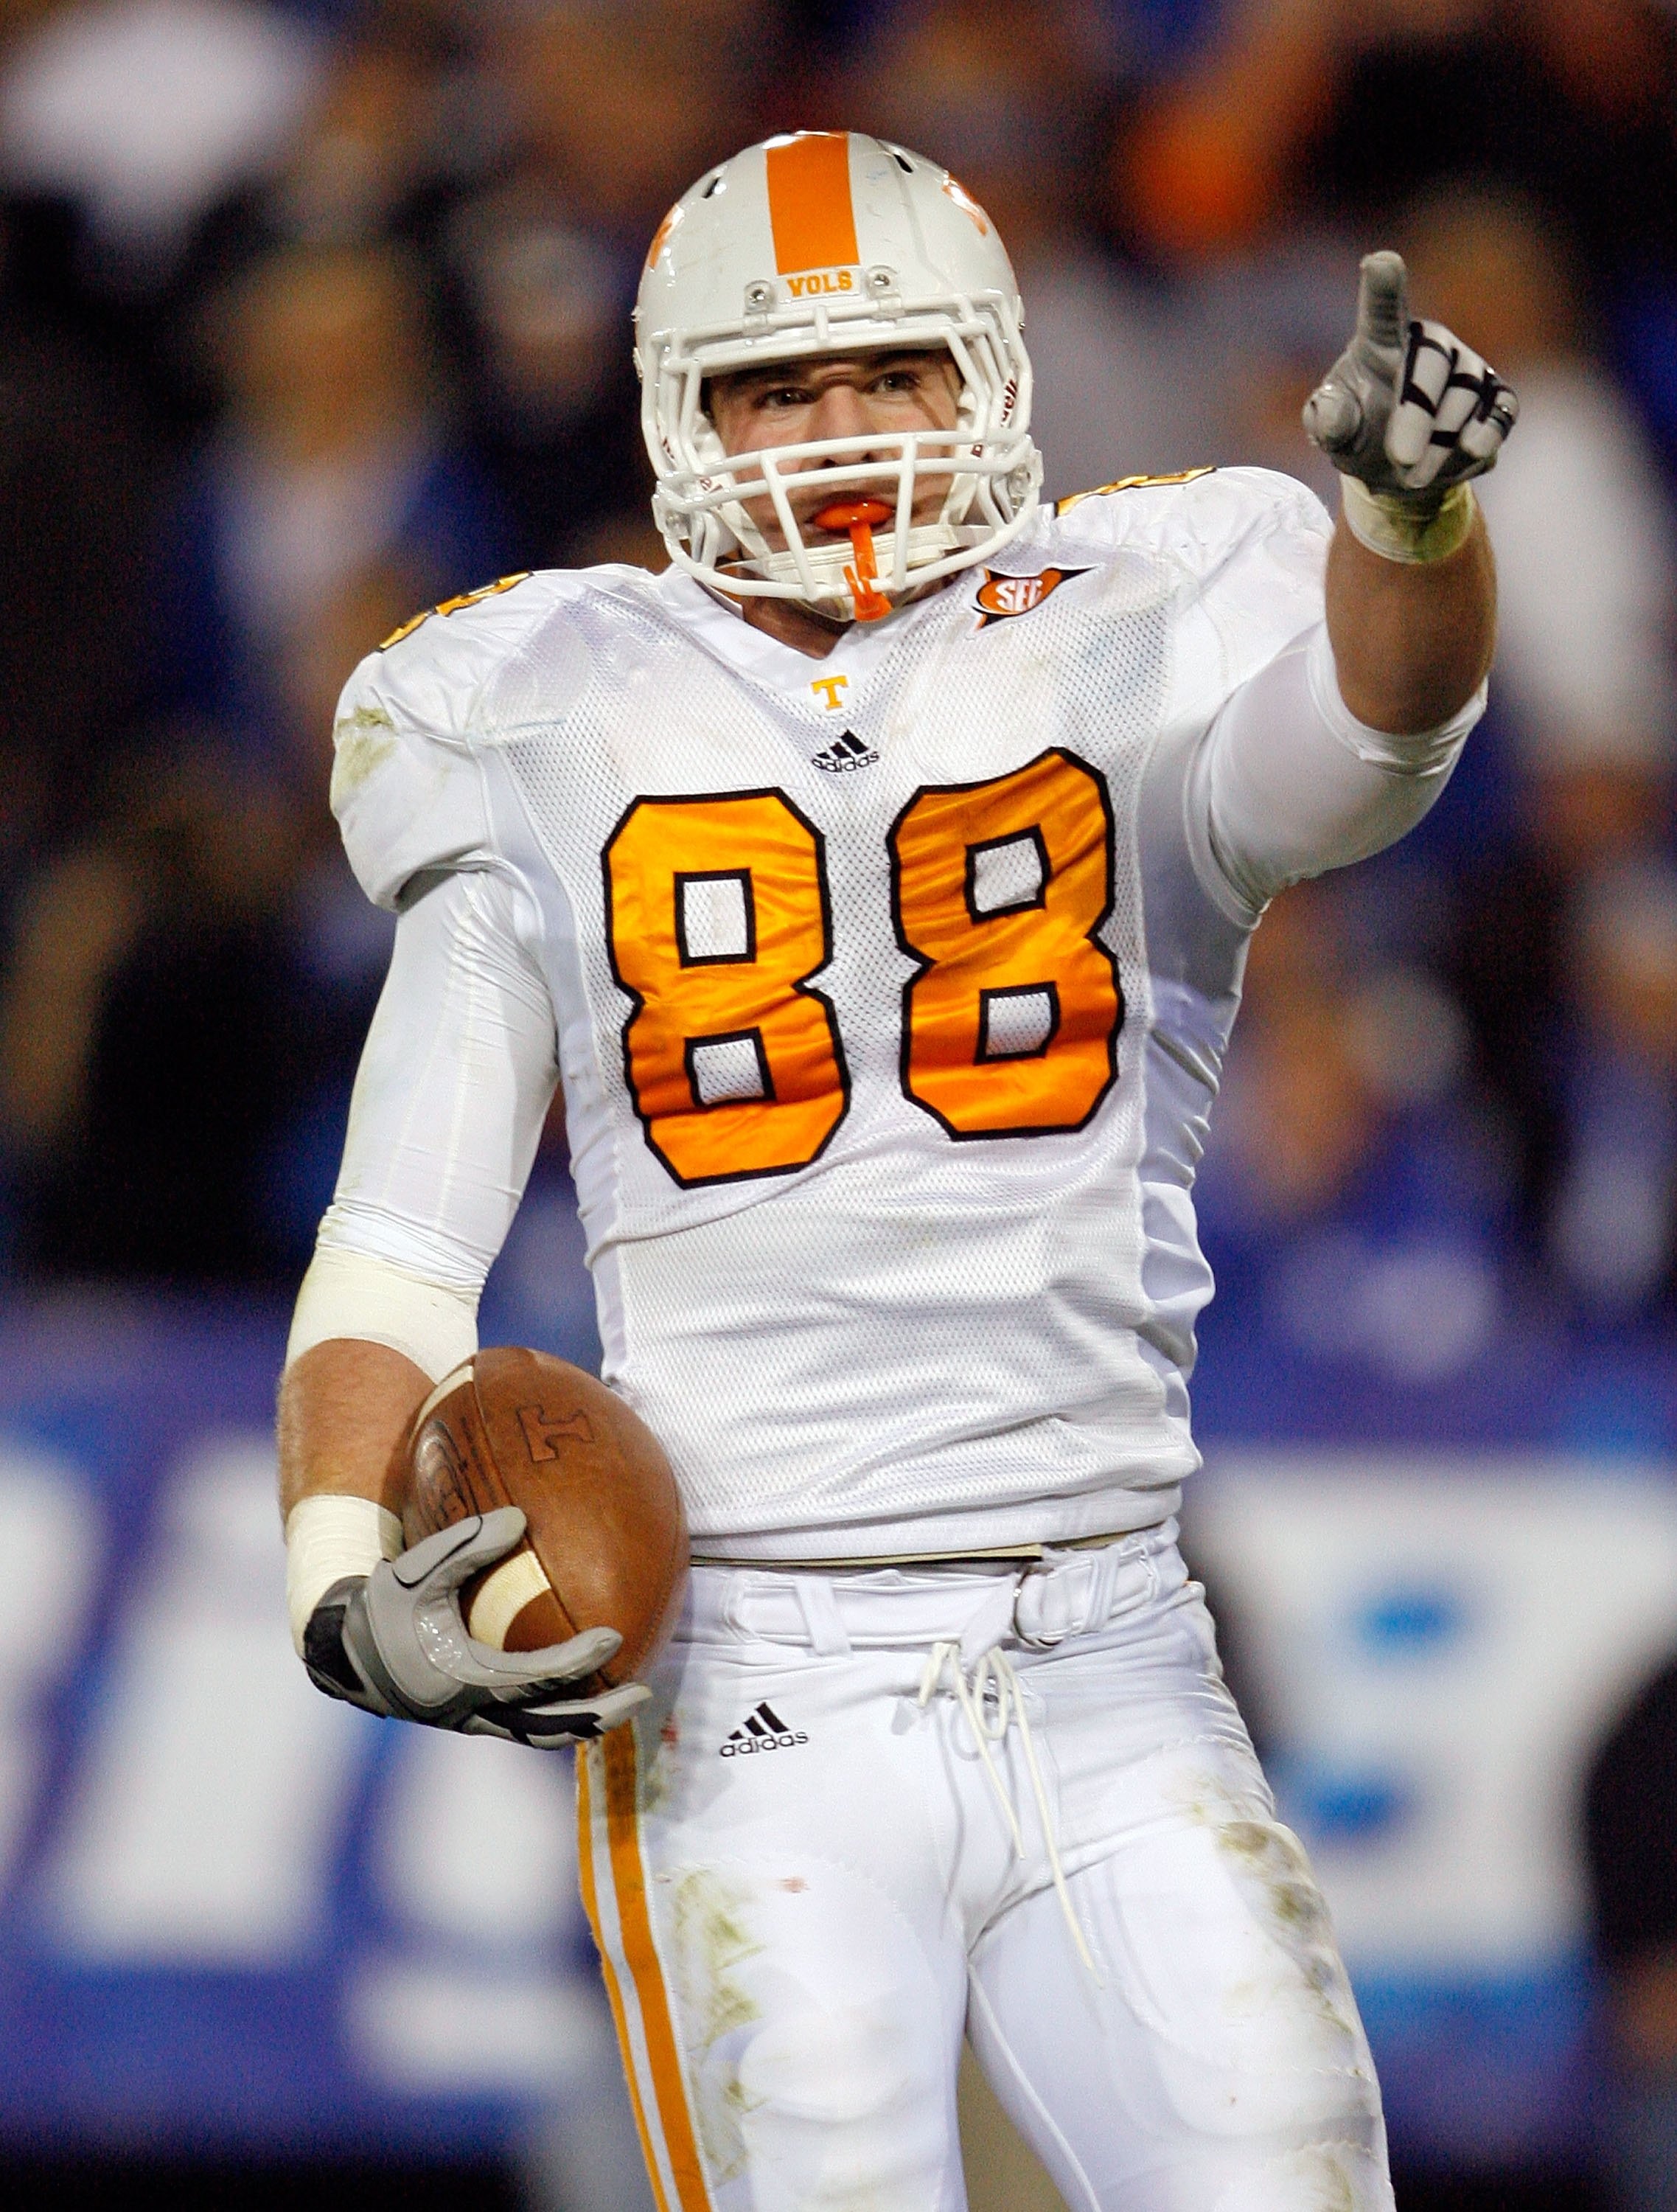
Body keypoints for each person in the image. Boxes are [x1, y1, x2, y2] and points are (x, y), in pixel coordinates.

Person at [275, 131, 1514, 2211]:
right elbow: (401, 1239)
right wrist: (330, 1582)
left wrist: (1410, 515)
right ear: (685, 412)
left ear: (989, 381)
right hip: (751, 1684)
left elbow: (1374, 736)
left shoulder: (1139, 620)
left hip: (1112, 1641)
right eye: (781, 387)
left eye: (893, 374)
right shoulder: (539, 705)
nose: (842, 430)